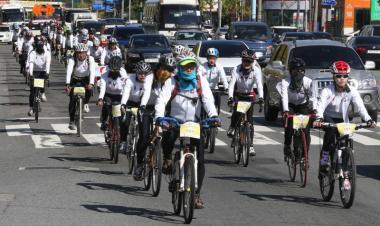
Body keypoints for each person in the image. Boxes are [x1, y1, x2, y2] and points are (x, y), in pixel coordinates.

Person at [155, 53, 219, 209]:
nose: (189, 69)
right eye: (185, 66)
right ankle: (169, 159)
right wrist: (159, 117)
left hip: (194, 123)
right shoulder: (172, 81)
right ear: (180, 67)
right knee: (168, 139)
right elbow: (161, 100)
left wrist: (213, 116)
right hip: (175, 122)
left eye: (191, 65)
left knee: (201, 160)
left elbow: (208, 101)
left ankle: (196, 194)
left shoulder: (200, 80)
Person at [313, 61, 376, 173]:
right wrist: (319, 118)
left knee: (346, 142)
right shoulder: (327, 90)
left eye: (345, 76)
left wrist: (368, 119)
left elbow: (360, 107)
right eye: (338, 76)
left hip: (343, 119)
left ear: (347, 77)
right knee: (331, 134)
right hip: (329, 118)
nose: (342, 79)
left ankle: (345, 171)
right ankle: (325, 158)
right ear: (333, 76)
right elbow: (320, 106)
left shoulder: (351, 91)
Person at [119, 61, 154, 180]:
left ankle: (140, 159)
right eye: (140, 73)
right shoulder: (130, 79)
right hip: (130, 102)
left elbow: (147, 92)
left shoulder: (149, 79)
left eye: (145, 73)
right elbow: (126, 92)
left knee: (144, 133)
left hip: (142, 104)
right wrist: (123, 104)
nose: (142, 75)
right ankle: (123, 141)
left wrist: (143, 106)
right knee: (124, 121)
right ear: (136, 73)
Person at [227, 49, 264, 156]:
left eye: (249, 61)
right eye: (245, 61)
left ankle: (251, 145)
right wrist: (230, 97)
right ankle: (233, 127)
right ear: (242, 60)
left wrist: (261, 97)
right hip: (238, 93)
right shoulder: (236, 69)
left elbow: (259, 85)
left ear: (252, 62)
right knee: (237, 113)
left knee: (250, 122)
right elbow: (231, 85)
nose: (247, 63)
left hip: (249, 95)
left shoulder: (256, 70)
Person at [281, 58, 315, 160]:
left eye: (301, 71)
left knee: (306, 130)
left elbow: (313, 97)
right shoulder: (285, 81)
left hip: (302, 105)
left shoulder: (308, 82)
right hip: (289, 105)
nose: (298, 73)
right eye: (295, 70)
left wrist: (314, 109)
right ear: (291, 71)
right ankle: (287, 145)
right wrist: (286, 110)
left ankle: (305, 156)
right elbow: (284, 97)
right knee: (290, 126)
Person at [97, 56, 129, 146]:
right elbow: (102, 87)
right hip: (108, 94)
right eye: (112, 70)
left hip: (119, 95)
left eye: (116, 70)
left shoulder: (123, 73)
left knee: (120, 114)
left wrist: (125, 101)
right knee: (106, 105)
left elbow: (127, 87)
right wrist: (100, 99)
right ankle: (104, 121)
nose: (114, 72)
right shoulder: (104, 74)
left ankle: (118, 128)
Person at [65, 43, 96, 130]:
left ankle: (85, 103)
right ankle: (71, 121)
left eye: (83, 53)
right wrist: (68, 84)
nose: (81, 55)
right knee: (72, 100)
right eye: (79, 53)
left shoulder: (90, 59)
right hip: (74, 79)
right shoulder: (72, 59)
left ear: (86, 53)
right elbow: (69, 71)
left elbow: (92, 71)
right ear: (76, 53)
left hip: (85, 79)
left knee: (89, 90)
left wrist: (91, 83)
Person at [27, 36, 51, 116]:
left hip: (43, 71)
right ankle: (31, 108)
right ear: (36, 47)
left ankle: (43, 93)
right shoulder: (33, 53)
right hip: (34, 71)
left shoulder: (47, 53)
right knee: (32, 92)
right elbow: (31, 63)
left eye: (41, 48)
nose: (40, 50)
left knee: (43, 81)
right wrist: (30, 74)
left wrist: (47, 73)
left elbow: (47, 63)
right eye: (38, 48)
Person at [201, 48, 229, 114]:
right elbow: (198, 77)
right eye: (210, 58)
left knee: (216, 104)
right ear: (207, 58)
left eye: (214, 58)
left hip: (215, 89)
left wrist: (226, 88)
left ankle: (216, 113)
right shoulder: (202, 67)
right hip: (204, 89)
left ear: (216, 58)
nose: (212, 60)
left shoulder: (219, 67)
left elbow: (223, 78)